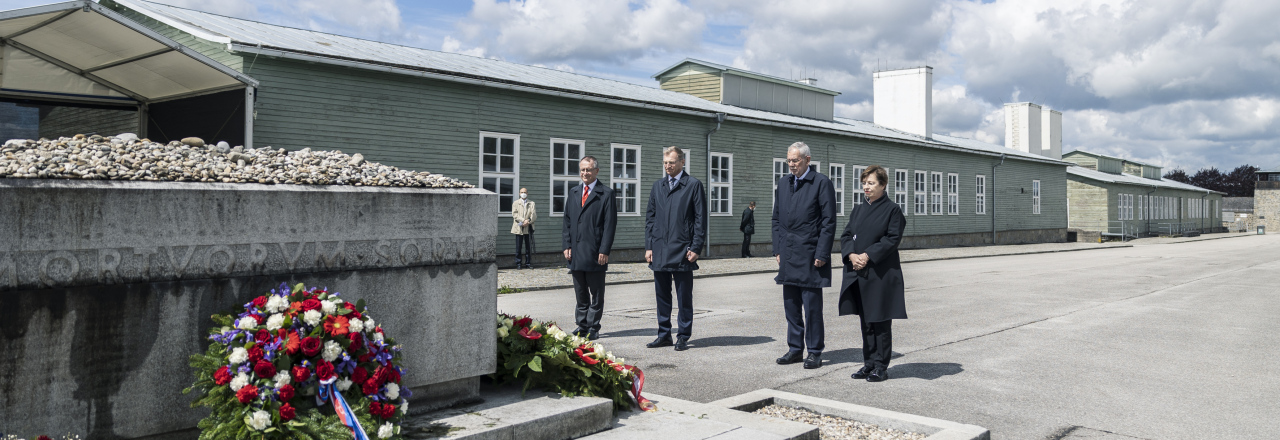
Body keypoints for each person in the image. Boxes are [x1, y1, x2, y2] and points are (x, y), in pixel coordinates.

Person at [839, 165, 906, 383]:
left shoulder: (893, 210)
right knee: (866, 320)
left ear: (883, 185)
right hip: (858, 272)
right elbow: (847, 235)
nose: (866, 187)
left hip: (880, 273)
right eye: (864, 183)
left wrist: (867, 255)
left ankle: (881, 366)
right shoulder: (858, 209)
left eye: (871, 183)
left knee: (880, 320)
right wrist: (851, 255)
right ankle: (868, 363)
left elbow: (891, 239)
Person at [772, 142, 836, 369]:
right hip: (788, 255)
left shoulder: (821, 183)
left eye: (795, 160)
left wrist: (822, 253)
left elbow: (829, 222)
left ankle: (815, 351)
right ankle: (795, 349)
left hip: (810, 255)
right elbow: (776, 219)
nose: (791, 165)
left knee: (811, 309)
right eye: (788, 160)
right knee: (791, 306)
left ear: (808, 160)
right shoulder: (783, 183)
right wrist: (777, 249)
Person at [644, 147, 707, 351]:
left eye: (671, 162)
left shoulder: (693, 185)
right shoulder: (658, 186)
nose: (668, 166)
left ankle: (683, 335)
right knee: (662, 296)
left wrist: (696, 247)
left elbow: (700, 219)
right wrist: (649, 246)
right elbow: (650, 219)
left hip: (683, 250)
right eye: (665, 163)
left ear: (682, 162)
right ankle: (664, 334)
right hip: (660, 249)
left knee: (683, 297)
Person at [562, 156, 616, 341]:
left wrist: (604, 250)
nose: (585, 173)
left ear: (596, 171)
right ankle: (582, 325)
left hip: (595, 252)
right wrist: (566, 245)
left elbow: (610, 225)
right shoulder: (574, 192)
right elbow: (567, 221)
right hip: (576, 252)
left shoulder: (606, 194)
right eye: (582, 170)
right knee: (580, 292)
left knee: (596, 292)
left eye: (589, 170)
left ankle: (594, 326)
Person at [511, 187, 536, 269]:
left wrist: (528, 221)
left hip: (528, 227)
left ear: (527, 193)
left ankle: (528, 263)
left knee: (528, 247)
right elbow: (515, 214)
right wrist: (523, 220)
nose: (523, 193)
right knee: (518, 247)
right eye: (522, 192)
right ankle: (518, 263)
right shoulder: (515, 203)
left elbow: (534, 215)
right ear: (519, 193)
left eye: (525, 192)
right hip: (519, 228)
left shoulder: (531, 203)